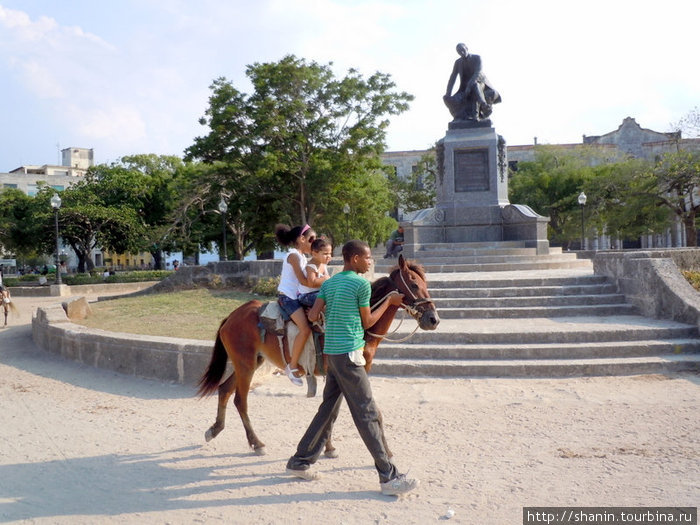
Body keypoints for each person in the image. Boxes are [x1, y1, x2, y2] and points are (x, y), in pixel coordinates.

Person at [286, 240, 418, 496]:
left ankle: (300, 462)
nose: (370, 262)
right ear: (355, 258)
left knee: (328, 410)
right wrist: (390, 303)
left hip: (332, 355)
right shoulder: (360, 284)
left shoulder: (330, 282)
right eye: (367, 258)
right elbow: (368, 320)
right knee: (366, 412)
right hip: (349, 354)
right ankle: (389, 477)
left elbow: (313, 316)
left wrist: (334, 313)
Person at [275, 223, 317, 386]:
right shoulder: (294, 256)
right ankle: (292, 367)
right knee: (305, 329)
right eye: (311, 239)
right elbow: (304, 281)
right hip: (289, 298)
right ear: (301, 239)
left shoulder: (303, 257)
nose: (314, 243)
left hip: (297, 296)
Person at [443, 42, 501, 122]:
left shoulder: (477, 58)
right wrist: (448, 93)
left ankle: (483, 105)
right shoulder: (458, 63)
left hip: (481, 84)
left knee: (475, 85)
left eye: (463, 50)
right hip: (464, 88)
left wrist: (468, 87)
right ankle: (463, 116)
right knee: (448, 99)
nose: (462, 52)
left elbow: (477, 73)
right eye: (459, 52)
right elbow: (452, 78)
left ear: (466, 48)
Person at [297, 238, 332, 308]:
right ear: (314, 254)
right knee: (328, 297)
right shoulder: (311, 266)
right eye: (325, 254)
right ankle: (315, 314)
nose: (329, 256)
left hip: (316, 293)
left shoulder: (323, 265)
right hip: (306, 296)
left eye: (330, 253)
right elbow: (311, 283)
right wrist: (325, 278)